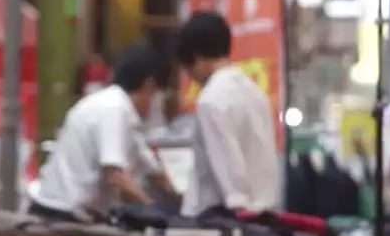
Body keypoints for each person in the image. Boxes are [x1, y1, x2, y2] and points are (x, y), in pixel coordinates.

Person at [28, 43, 177, 222]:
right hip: (62, 216)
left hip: (78, 214)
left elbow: (153, 170)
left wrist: (180, 203)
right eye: (158, 94)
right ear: (149, 85)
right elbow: (116, 176)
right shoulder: (113, 108)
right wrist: (157, 213)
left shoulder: (122, 111)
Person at [173, 11, 280, 216]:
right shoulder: (255, 92)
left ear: (196, 57)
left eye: (188, 69)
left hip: (220, 224)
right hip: (264, 216)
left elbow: (230, 171)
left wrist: (239, 209)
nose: (192, 78)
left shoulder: (210, 100)